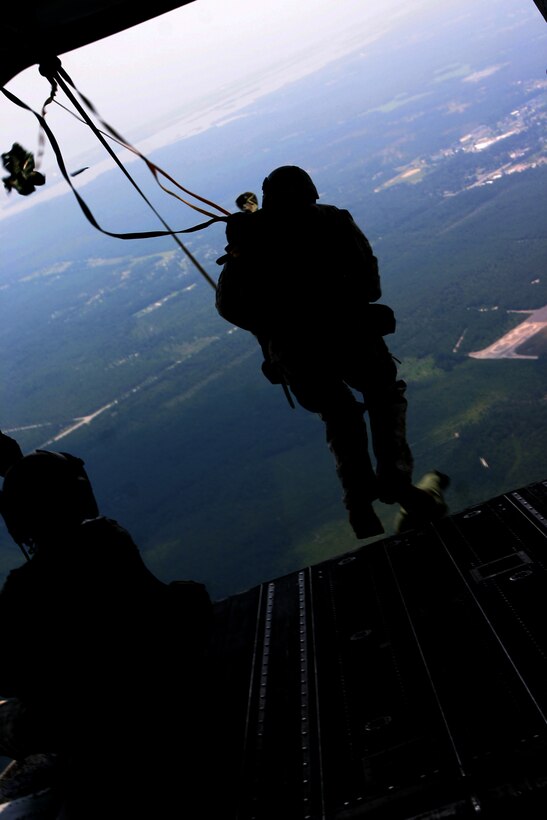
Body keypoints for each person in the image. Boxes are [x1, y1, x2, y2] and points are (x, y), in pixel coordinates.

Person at [215, 165, 448, 538]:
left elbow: (231, 307)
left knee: (340, 418)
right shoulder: (333, 222)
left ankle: (359, 504)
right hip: (352, 336)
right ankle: (396, 482)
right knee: (383, 397)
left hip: (296, 354)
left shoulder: (252, 239)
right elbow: (370, 286)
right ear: (311, 195)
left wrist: (241, 256)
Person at [0, 444, 212, 817]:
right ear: (80, 495)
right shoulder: (109, 541)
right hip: (154, 712)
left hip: (90, 736)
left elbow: (14, 677)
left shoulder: (22, 589)